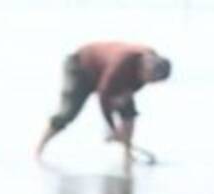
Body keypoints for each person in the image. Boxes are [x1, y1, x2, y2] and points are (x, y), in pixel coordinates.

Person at [35, 41, 172, 159]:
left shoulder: (151, 60)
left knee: (129, 112)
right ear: (145, 67)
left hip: (108, 74)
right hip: (80, 67)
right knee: (69, 112)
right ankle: (39, 150)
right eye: (149, 78)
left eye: (153, 81)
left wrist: (126, 96)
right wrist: (111, 127)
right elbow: (103, 95)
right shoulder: (122, 63)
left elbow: (137, 84)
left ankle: (127, 154)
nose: (148, 82)